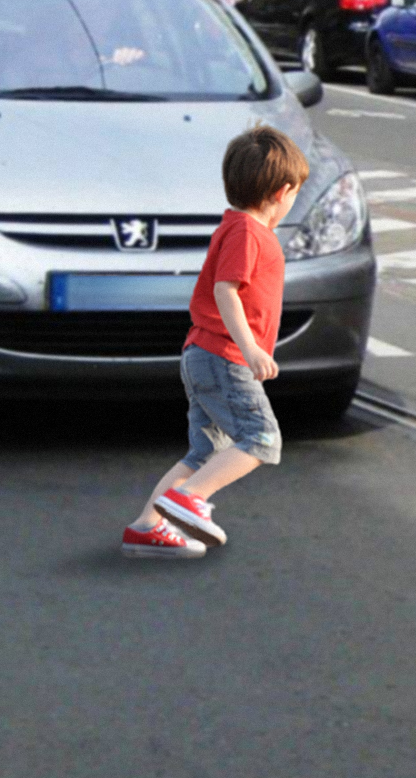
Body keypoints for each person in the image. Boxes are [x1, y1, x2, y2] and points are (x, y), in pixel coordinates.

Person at [122, 125, 307, 560]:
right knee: (262, 439)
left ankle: (148, 527)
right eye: (296, 192)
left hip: (204, 354)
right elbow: (227, 290)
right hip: (224, 356)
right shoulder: (249, 233)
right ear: (282, 191)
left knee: (205, 451)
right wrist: (250, 348)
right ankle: (188, 500)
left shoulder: (235, 226)